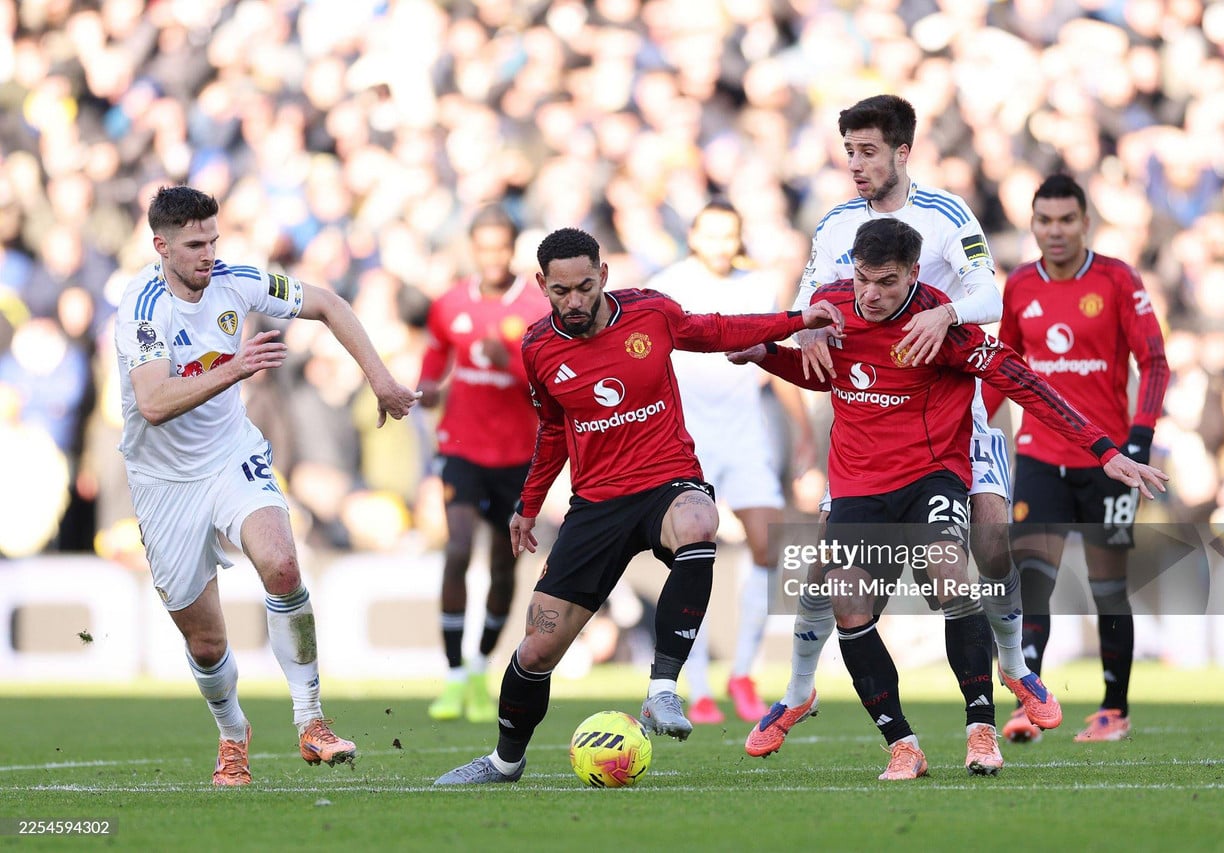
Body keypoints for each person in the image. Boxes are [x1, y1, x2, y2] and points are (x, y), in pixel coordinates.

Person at [731, 218, 1167, 779]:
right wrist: (766, 354)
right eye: (863, 278)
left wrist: (1105, 450)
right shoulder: (834, 308)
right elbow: (833, 374)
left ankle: (982, 728)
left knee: (952, 576)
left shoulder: (943, 328)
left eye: (886, 282)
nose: (871, 293)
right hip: (860, 486)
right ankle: (902, 744)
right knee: (847, 602)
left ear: (913, 273)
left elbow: (1025, 383)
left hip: (930, 476)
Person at [434, 227, 844, 785]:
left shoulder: (651, 314)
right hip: (596, 505)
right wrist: (527, 506)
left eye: (584, 286)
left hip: (666, 482)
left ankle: (662, 690)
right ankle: (505, 762)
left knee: (701, 522)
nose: (574, 301)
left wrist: (797, 320)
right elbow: (553, 430)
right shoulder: (538, 348)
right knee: (536, 650)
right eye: (561, 292)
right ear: (542, 286)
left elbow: (717, 329)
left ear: (603, 276)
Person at [748, 94, 1060, 758]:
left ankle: (1015, 664)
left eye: (867, 151)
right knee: (830, 578)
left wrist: (945, 316)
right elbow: (807, 306)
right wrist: (799, 332)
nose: (855, 165)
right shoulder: (834, 226)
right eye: (849, 152)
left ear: (901, 152)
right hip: (868, 417)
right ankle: (800, 688)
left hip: (954, 410)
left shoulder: (946, 214)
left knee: (992, 540)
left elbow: (991, 294)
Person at [113, 185, 420, 786]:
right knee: (206, 643)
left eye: (213, 240)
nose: (208, 254)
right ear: (161, 246)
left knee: (282, 564)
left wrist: (381, 378)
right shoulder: (141, 307)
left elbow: (329, 302)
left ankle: (311, 721)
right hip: (163, 481)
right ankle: (233, 733)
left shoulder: (237, 281)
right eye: (195, 244)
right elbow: (151, 403)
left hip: (232, 455)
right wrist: (235, 368)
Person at [982, 174, 1170, 744]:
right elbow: (1005, 370)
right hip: (1039, 456)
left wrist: (1137, 440)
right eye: (1045, 221)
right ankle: (1030, 704)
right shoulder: (1018, 285)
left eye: (1066, 220)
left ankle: (1114, 709)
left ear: (1085, 222)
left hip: (1107, 460)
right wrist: (970, 424)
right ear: (1032, 224)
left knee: (1107, 587)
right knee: (1031, 582)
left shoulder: (1116, 279)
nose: (1055, 231)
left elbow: (1155, 362)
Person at [647, 200, 817, 724]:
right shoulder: (666, 285)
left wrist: (805, 437)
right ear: (693, 235)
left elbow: (773, 361)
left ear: (739, 238)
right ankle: (695, 686)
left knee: (768, 547)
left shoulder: (758, 286)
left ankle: (742, 672)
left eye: (730, 235)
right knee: (690, 556)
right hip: (688, 439)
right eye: (711, 234)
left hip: (745, 435)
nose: (720, 244)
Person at [417, 205, 548, 723]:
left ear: (511, 249)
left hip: (518, 454)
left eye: (500, 247)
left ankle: (480, 666)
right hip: (461, 447)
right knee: (457, 547)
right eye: (483, 247)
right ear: (472, 249)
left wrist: (510, 362)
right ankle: (452, 675)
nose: (492, 257)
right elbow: (434, 361)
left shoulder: (538, 307)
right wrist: (427, 388)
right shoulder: (449, 304)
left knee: (502, 562)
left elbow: (549, 381)